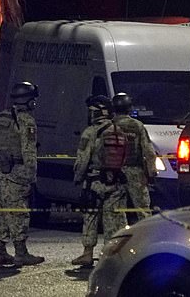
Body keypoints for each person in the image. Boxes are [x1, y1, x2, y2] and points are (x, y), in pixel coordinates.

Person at [0, 81, 44, 267]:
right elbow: (29, 151)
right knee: (18, 213)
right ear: (30, 101)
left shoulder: (1, 117)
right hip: (17, 174)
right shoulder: (27, 121)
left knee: (1, 213)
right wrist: (32, 177)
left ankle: (0, 252)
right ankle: (21, 253)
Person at [71, 95, 127, 267]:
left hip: (94, 181)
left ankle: (87, 254)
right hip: (115, 182)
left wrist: (77, 178)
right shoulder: (119, 130)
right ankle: (111, 255)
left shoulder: (90, 132)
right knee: (114, 219)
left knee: (91, 217)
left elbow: (83, 159)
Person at [111, 93, 157, 222]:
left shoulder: (108, 126)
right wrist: (151, 172)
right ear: (129, 107)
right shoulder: (137, 125)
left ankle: (118, 237)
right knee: (143, 209)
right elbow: (148, 150)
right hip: (135, 172)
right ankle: (146, 237)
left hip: (113, 172)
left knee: (116, 210)